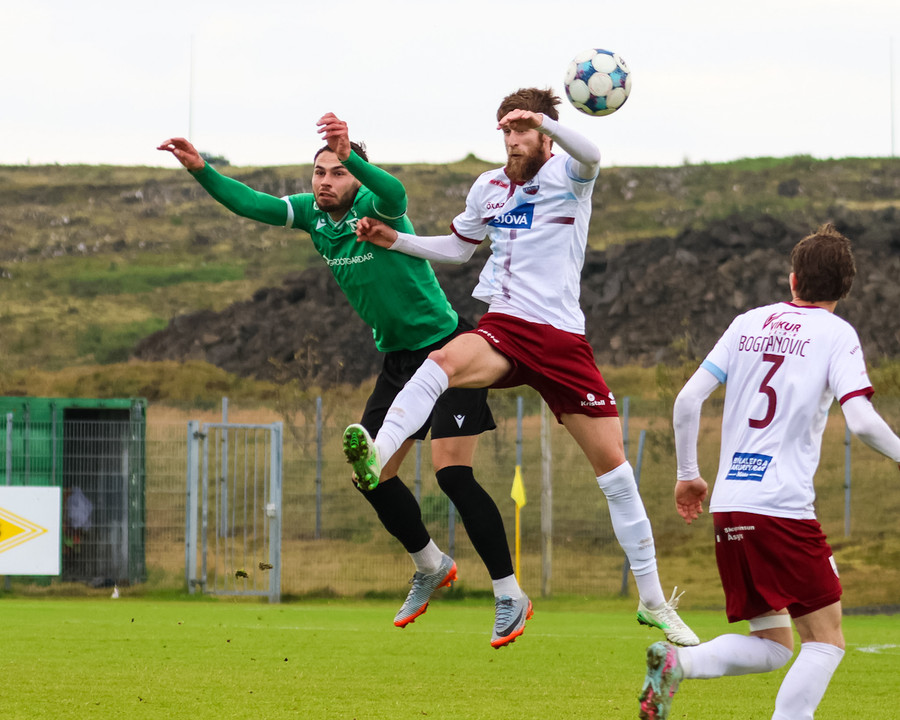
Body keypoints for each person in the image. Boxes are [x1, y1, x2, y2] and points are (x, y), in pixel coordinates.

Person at [158, 114, 530, 649]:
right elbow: (252, 203)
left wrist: (351, 153)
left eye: (338, 171)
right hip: (398, 362)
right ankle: (431, 564)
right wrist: (201, 169)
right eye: (320, 172)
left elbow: (396, 192)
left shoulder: (375, 204)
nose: (326, 181)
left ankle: (509, 595)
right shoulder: (314, 216)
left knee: (452, 475)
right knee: (369, 475)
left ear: (355, 175)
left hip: (450, 352)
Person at [344, 87, 698, 647]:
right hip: (505, 327)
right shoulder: (487, 186)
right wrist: (395, 239)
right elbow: (458, 249)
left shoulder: (570, 175)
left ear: (544, 133)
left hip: (560, 341)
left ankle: (653, 602)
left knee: (615, 475)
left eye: (522, 130)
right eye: (506, 131)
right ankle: (377, 453)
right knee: (441, 361)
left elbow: (593, 155)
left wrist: (546, 123)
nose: (512, 141)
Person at [638, 223, 900, 719]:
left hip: (730, 506)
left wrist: (688, 474)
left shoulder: (747, 323)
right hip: (782, 508)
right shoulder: (837, 334)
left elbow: (687, 400)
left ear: (793, 279)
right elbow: (863, 421)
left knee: (775, 645)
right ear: (845, 288)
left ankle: (678, 663)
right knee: (826, 640)